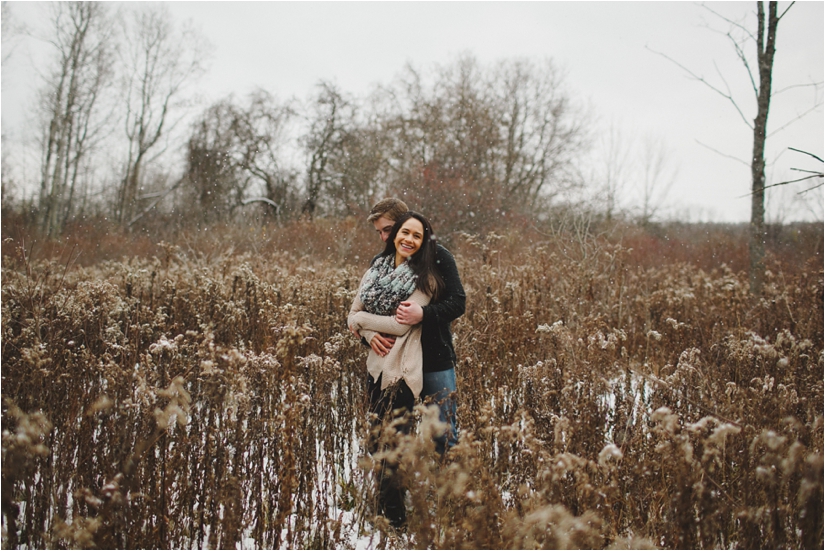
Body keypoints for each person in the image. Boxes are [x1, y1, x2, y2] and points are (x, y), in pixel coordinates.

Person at [348, 211, 445, 528]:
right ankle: (382, 512)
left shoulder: (425, 278)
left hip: (401, 372)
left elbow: (400, 326)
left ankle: (396, 520)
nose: (409, 239)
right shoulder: (375, 270)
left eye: (417, 235)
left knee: (396, 445)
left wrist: (362, 323)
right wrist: (369, 332)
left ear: (422, 242)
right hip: (375, 368)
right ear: (395, 235)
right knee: (377, 441)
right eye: (405, 232)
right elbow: (353, 312)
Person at [364, 198, 465, 455]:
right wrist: (368, 334)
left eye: (387, 229)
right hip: (393, 361)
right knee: (390, 437)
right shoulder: (381, 262)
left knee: (443, 436)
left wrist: (424, 313)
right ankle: (396, 491)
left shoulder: (439, 257)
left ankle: (447, 492)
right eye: (380, 232)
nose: (384, 237)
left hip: (433, 357)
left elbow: (458, 303)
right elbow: (367, 310)